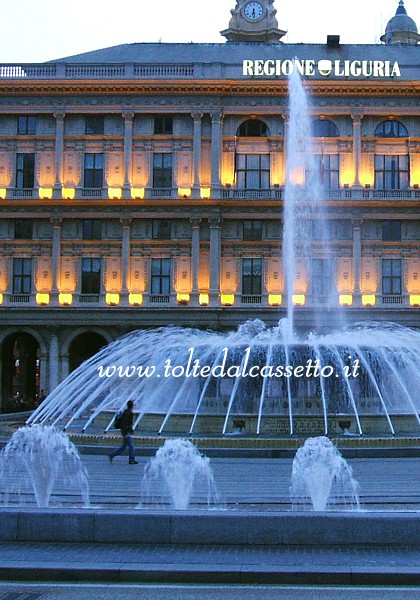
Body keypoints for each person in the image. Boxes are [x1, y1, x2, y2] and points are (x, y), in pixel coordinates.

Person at [108, 399, 138, 464]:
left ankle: (112, 455)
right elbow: (126, 423)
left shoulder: (126, 412)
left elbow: (128, 423)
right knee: (131, 446)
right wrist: (127, 433)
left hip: (125, 431)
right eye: (133, 405)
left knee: (123, 446)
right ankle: (131, 459)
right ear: (132, 406)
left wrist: (131, 430)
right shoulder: (129, 413)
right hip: (125, 432)